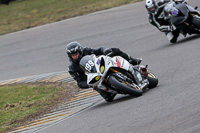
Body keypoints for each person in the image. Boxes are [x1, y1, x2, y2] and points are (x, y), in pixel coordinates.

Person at [66, 41, 142, 102]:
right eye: (73, 55)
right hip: (95, 79)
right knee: (108, 98)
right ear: (70, 56)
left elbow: (99, 49)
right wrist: (89, 84)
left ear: (80, 51)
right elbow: (79, 83)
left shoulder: (86, 50)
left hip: (101, 66)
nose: (75, 56)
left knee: (114, 50)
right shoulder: (72, 68)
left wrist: (106, 51)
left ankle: (132, 60)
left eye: (76, 54)